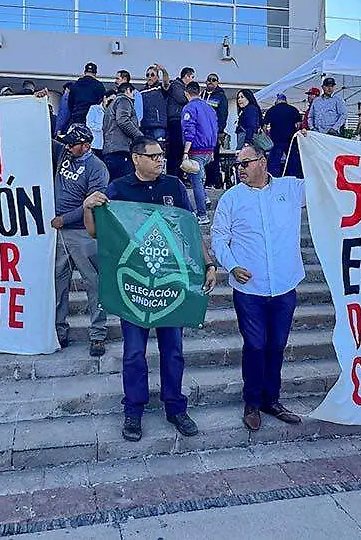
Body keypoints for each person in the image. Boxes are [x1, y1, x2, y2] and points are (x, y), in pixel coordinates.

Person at [82, 137, 218, 442]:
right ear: (136, 158)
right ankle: (133, 410)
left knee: (174, 352)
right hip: (134, 288)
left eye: (161, 155)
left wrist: (208, 263)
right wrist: (88, 206)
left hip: (172, 285)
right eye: (153, 156)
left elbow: (190, 230)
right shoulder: (118, 189)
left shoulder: (174, 187)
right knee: (133, 354)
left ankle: (176, 408)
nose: (160, 160)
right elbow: (95, 230)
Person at [211, 143, 306, 431]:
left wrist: (310, 141)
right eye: (238, 164)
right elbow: (218, 236)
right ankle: (252, 402)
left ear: (262, 162)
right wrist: (231, 264)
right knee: (255, 346)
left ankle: (271, 400)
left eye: (245, 163)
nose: (239, 169)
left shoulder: (291, 189)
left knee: (277, 345)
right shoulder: (231, 198)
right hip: (249, 289)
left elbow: (326, 177)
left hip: (284, 285)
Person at [52, 124, 110, 357]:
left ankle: (97, 333)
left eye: (72, 143)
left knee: (94, 283)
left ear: (86, 146)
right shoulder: (64, 153)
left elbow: (94, 202)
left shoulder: (97, 168)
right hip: (59, 232)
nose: (67, 146)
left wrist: (64, 219)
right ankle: (59, 329)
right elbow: (40, 135)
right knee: (58, 283)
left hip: (84, 232)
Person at [181, 81, 217, 225]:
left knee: (196, 182)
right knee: (200, 179)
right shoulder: (210, 108)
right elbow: (215, 128)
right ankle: (205, 199)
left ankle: (202, 214)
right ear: (199, 91)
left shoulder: (189, 108)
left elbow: (189, 130)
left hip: (197, 149)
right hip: (209, 149)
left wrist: (185, 152)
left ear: (186, 93)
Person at [102, 81, 142, 181]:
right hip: (121, 151)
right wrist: (140, 137)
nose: (134, 97)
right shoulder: (124, 100)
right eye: (133, 93)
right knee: (126, 186)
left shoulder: (111, 105)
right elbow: (123, 120)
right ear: (128, 90)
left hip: (110, 151)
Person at [60, 62, 107, 133]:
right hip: (91, 121)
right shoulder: (99, 86)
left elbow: (70, 105)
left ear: (84, 72)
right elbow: (102, 104)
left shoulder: (75, 85)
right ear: (95, 74)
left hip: (76, 119)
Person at [164, 67, 194, 177]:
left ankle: (179, 175)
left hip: (180, 120)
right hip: (175, 120)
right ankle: (173, 175)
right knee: (175, 149)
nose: (192, 80)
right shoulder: (176, 85)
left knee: (180, 149)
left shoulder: (180, 86)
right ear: (186, 76)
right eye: (192, 77)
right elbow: (182, 99)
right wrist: (190, 96)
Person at [262, 93, 301, 177]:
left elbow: (264, 126)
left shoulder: (271, 110)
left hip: (276, 139)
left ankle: (274, 178)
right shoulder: (293, 110)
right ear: (286, 100)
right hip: (290, 140)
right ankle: (294, 178)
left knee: (274, 162)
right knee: (293, 162)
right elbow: (298, 125)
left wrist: (267, 137)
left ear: (277, 101)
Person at [204, 74, 229, 189]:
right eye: (209, 80)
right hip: (203, 132)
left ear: (217, 82)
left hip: (214, 132)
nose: (211, 82)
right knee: (205, 156)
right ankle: (207, 181)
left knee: (214, 157)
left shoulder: (221, 96)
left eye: (214, 80)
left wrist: (220, 131)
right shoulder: (203, 95)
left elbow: (223, 115)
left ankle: (214, 182)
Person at [137, 64, 169, 142]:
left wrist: (163, 71)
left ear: (157, 77)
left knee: (158, 150)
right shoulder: (141, 92)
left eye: (152, 75)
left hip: (158, 127)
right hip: (145, 127)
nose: (150, 77)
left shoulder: (160, 88)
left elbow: (166, 82)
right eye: (148, 75)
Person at [85, 89, 108, 158]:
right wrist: (103, 127)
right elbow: (89, 124)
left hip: (106, 147)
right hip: (95, 144)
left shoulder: (113, 112)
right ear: (104, 98)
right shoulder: (94, 108)